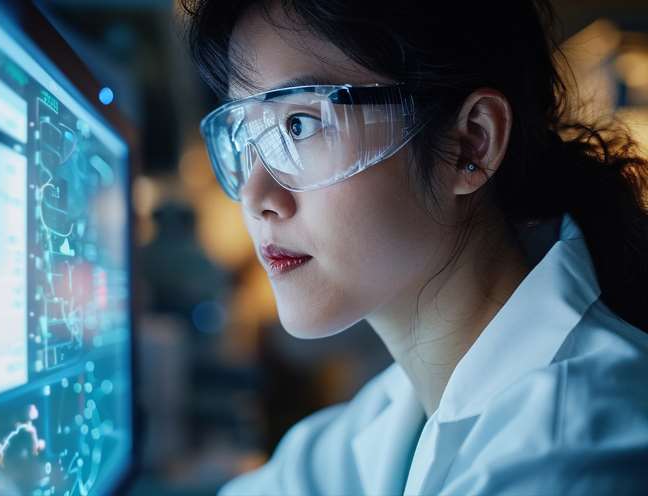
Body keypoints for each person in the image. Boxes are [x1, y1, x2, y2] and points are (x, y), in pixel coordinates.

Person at [183, 0, 648, 494]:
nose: (256, 197)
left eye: (300, 125)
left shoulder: (571, 449)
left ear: (470, 145)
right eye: (246, 137)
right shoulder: (395, 412)